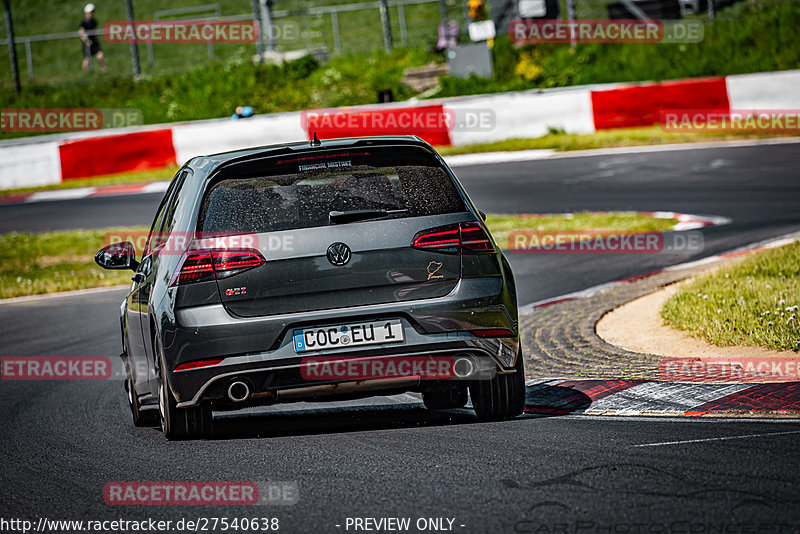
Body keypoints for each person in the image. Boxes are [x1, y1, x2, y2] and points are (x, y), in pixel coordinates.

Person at [79, 4, 107, 73]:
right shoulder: (83, 22)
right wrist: (87, 40)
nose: (91, 14)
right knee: (87, 59)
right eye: (90, 12)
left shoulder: (94, 21)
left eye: (92, 12)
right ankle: (85, 73)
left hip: (94, 42)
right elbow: (81, 32)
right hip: (87, 42)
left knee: (100, 55)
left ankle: (104, 70)